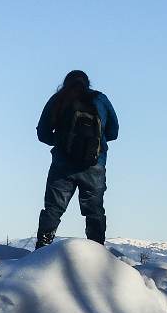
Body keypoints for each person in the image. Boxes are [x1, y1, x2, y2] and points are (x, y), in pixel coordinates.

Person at [35, 70, 119, 247]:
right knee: (94, 211)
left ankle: (42, 250)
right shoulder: (100, 99)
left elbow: (42, 133)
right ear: (87, 83)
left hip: (62, 165)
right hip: (95, 165)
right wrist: (95, 144)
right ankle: (97, 251)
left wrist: (61, 143)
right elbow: (114, 131)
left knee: (53, 209)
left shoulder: (58, 99)